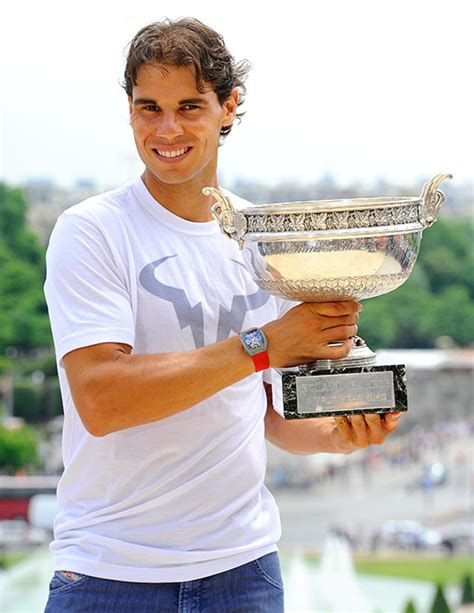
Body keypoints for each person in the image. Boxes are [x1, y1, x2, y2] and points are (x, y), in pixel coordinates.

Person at [43, 17, 401, 612]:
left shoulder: (261, 240)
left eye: (190, 105)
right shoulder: (92, 232)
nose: (168, 129)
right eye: (148, 107)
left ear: (229, 107)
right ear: (128, 110)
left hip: (245, 571)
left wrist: (336, 435)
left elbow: (261, 414)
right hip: (111, 572)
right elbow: (102, 401)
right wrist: (263, 344)